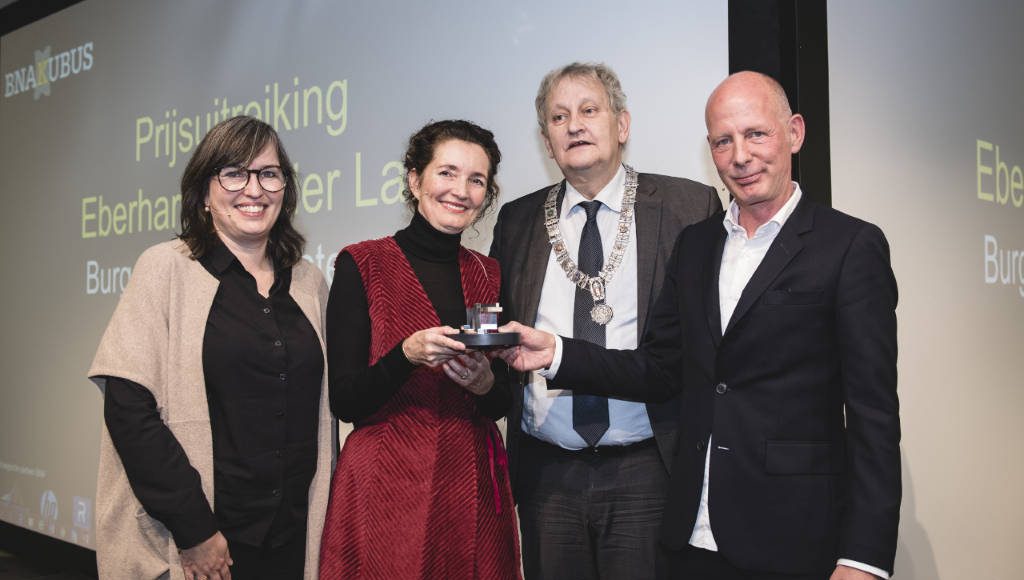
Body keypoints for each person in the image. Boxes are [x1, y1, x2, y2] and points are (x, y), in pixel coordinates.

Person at [500, 71, 900, 580]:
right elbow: (660, 369)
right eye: (723, 141)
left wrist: (862, 557)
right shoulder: (697, 244)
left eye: (756, 134)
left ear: (795, 133)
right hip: (691, 535)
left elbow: (874, 416)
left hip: (795, 535)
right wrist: (556, 353)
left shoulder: (848, 246)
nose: (740, 156)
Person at [488, 62, 720, 580]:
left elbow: (702, 346)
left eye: (589, 110)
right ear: (546, 141)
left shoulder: (687, 206)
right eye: (558, 116)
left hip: (648, 467)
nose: (574, 125)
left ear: (623, 125)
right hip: (547, 474)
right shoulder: (518, 221)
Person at [89, 116, 334, 580]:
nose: (254, 189)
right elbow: (127, 408)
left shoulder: (309, 283)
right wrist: (195, 529)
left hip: (292, 539)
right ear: (204, 193)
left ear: (286, 188)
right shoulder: (166, 268)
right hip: (203, 544)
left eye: (268, 173)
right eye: (234, 173)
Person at [318, 119, 520, 579]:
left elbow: (503, 400)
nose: (460, 190)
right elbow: (346, 401)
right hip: (386, 483)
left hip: (470, 481)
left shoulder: (488, 273)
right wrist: (404, 356)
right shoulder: (362, 263)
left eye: (476, 180)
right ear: (414, 179)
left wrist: (486, 383)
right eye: (447, 173)